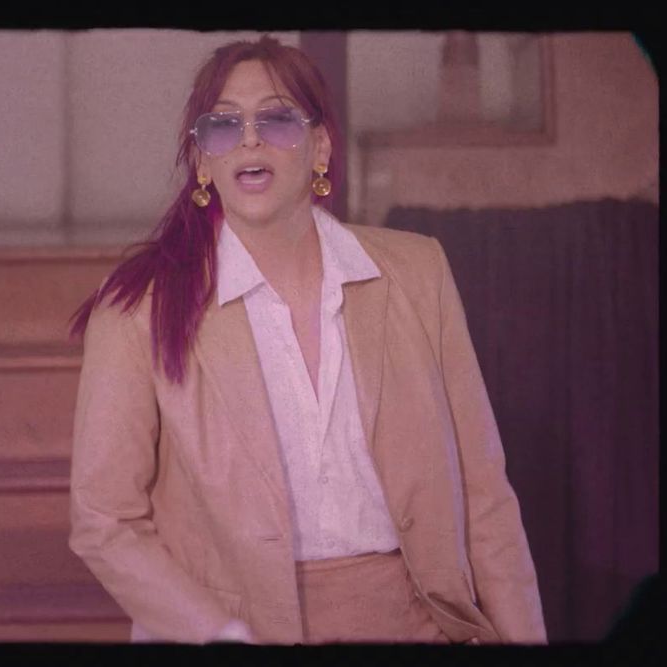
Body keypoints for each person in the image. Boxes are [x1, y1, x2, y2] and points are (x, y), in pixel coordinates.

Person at [66, 35, 545, 645]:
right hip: (234, 630)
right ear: (202, 162)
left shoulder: (418, 272)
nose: (248, 139)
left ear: (320, 146)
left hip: (418, 623)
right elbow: (104, 521)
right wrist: (222, 635)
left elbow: (486, 500)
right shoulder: (138, 305)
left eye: (275, 118)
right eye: (222, 125)